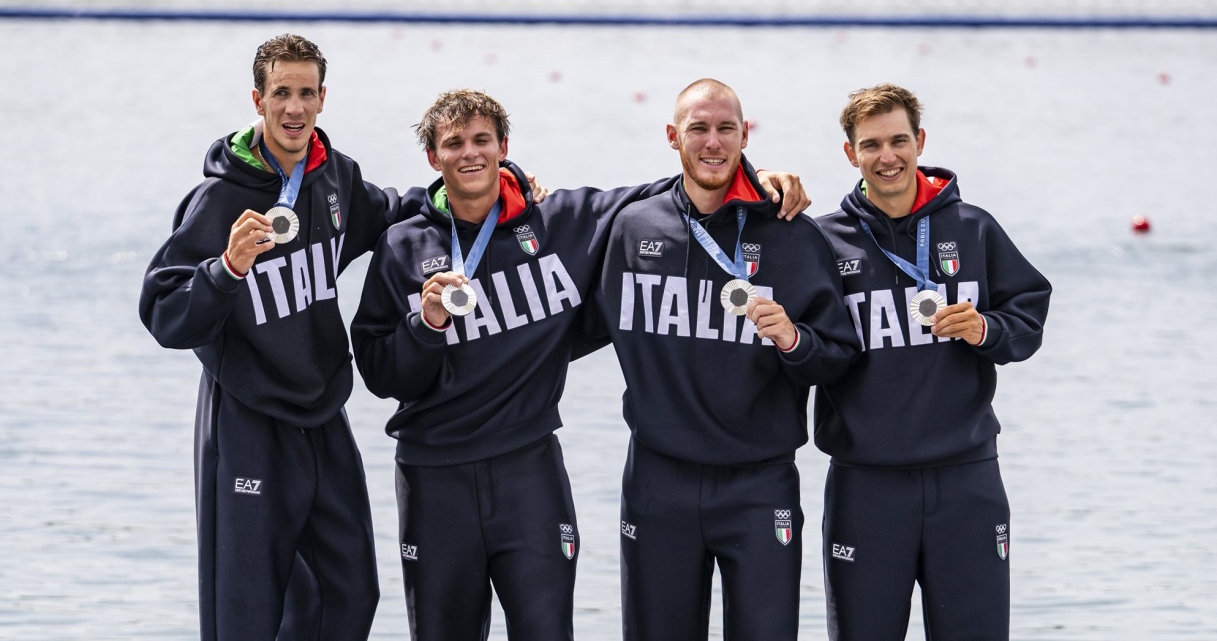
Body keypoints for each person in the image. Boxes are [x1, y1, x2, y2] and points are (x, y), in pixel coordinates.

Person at [348, 88, 809, 641]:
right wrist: (425, 326)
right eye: (454, 144)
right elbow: (378, 374)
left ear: (504, 148)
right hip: (433, 478)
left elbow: (679, 186)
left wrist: (761, 180)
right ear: (433, 157)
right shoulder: (403, 247)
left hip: (530, 474)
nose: (469, 154)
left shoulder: (560, 223)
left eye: (481, 141)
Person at [138, 33, 417, 640]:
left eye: (306, 94)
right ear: (258, 99)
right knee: (245, 607)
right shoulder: (219, 198)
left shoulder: (336, 176)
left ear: (323, 100)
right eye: (281, 93)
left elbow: (393, 210)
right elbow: (164, 313)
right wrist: (227, 269)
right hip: (246, 418)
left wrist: (470, 190)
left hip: (322, 413)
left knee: (350, 590)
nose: (294, 108)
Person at [593, 78, 861, 641]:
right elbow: (570, 324)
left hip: (758, 485)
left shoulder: (790, 233)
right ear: (672, 136)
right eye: (698, 129)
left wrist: (793, 339)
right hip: (657, 480)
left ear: (745, 135)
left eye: (725, 129)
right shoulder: (633, 228)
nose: (712, 143)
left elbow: (838, 360)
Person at [813, 83, 1052, 640]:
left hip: (965, 480)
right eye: (871, 145)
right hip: (865, 485)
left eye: (899, 140)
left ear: (920, 142)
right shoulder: (824, 241)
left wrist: (985, 327)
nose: (887, 156)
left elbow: (1029, 315)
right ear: (851, 154)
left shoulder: (972, 227)